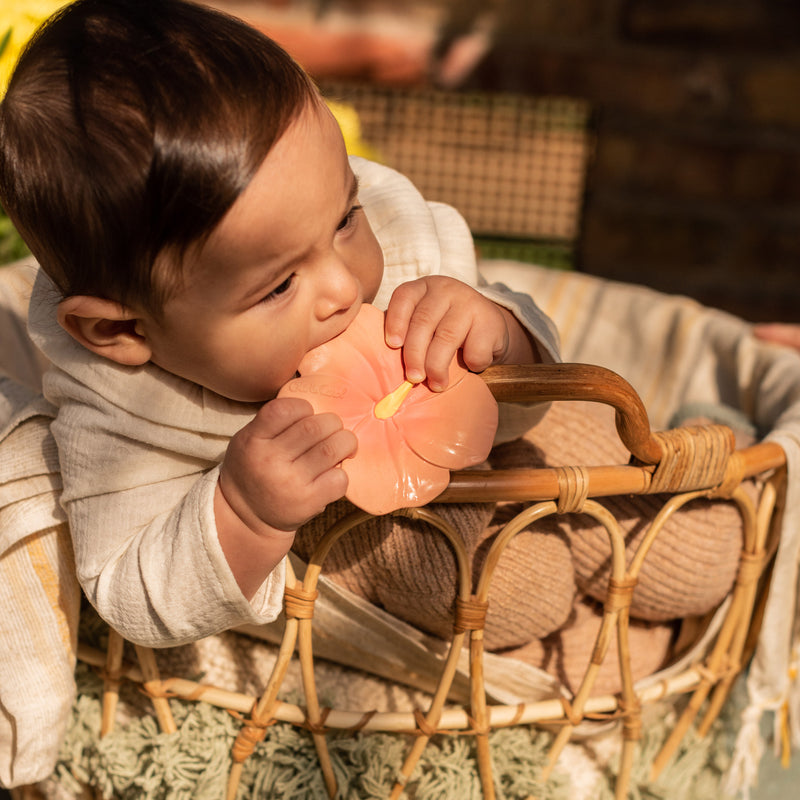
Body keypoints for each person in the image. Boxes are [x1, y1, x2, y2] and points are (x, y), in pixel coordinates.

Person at [0, 0, 560, 647]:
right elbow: (129, 591)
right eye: (280, 285)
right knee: (522, 592)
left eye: (345, 221)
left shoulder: (373, 235)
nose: (344, 287)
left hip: (518, 472)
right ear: (123, 334)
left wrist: (499, 331)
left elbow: (533, 390)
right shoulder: (123, 414)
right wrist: (243, 512)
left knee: (643, 497)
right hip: (410, 580)